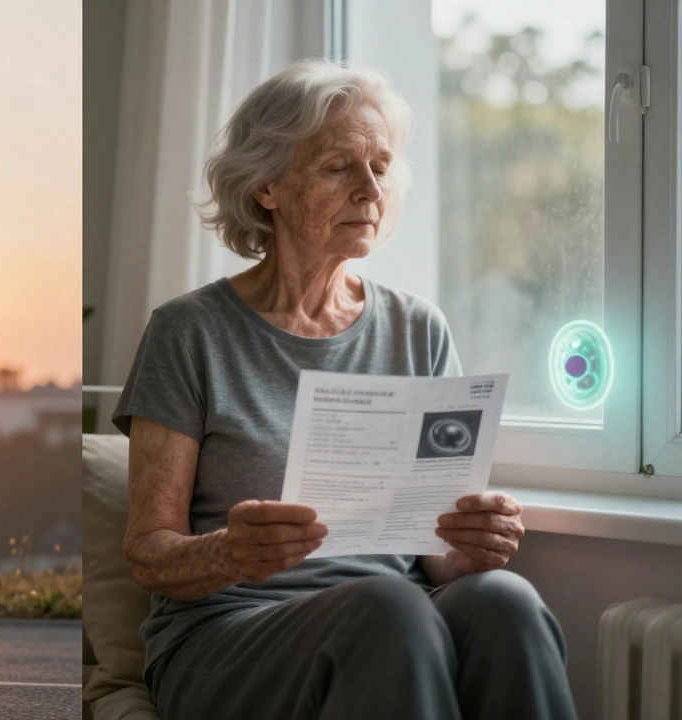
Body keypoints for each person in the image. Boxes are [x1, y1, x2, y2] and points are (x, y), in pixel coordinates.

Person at [112, 59, 578, 720]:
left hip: (394, 615)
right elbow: (148, 555)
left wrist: (467, 546)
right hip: (231, 633)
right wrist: (227, 552)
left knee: (505, 598)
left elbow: (435, 556)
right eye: (338, 167)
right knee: (387, 608)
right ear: (267, 185)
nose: (369, 190)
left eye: (380, 168)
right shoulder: (188, 332)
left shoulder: (418, 328)